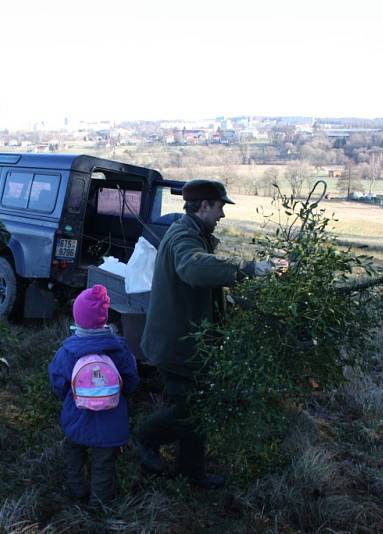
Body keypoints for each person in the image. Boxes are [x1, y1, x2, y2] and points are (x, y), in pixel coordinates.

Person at [135, 179, 286, 490]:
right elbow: (195, 269)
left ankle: (192, 473)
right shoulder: (183, 237)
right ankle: (145, 438)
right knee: (190, 410)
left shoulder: (195, 233)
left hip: (188, 342)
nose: (223, 215)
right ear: (204, 206)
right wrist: (248, 269)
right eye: (220, 207)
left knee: (196, 407)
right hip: (176, 345)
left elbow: (206, 281)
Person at [48, 284, 140, 506]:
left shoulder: (68, 351)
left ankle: (77, 489)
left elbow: (57, 382)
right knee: (103, 464)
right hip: (111, 423)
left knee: (74, 454)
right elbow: (132, 381)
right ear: (104, 319)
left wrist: (69, 399)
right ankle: (99, 504)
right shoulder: (119, 349)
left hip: (76, 419)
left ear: (77, 319)